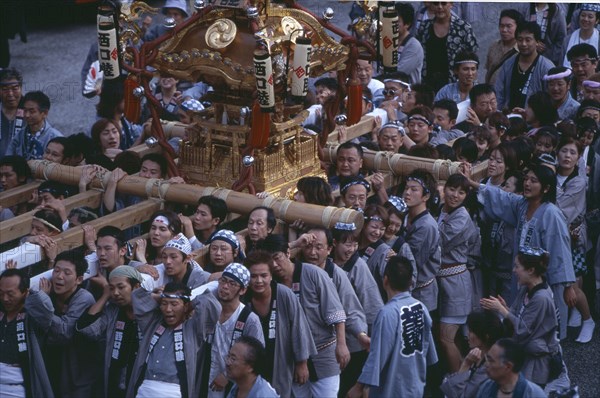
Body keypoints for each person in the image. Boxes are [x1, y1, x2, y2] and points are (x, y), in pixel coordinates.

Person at [464, 164, 576, 340]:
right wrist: (472, 183)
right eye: (526, 179)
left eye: (534, 180)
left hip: (543, 282)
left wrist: (568, 286)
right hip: (523, 280)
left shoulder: (552, 214)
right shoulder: (522, 205)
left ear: (546, 188)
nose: (527, 184)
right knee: (522, 326)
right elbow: (502, 197)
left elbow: (560, 251)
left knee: (542, 330)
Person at [257, 234, 349, 398]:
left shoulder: (313, 273)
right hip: (291, 357)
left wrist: (341, 344)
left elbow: (336, 312)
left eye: (277, 257)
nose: (274, 265)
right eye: (269, 261)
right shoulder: (270, 284)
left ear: (287, 252)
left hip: (323, 352)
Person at [347, 256, 438, 398]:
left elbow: (377, 357)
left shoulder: (387, 313)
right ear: (411, 282)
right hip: (415, 385)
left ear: (385, 280)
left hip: (392, 388)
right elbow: (430, 353)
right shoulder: (420, 307)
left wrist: (359, 386)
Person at [297, 227, 369, 398]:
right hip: (297, 350)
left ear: (330, 249)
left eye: (319, 247)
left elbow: (350, 309)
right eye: (308, 247)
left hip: (326, 347)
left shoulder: (335, 274)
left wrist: (360, 334)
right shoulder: (295, 270)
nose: (312, 252)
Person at [481, 247, 566, 388]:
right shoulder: (526, 288)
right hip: (525, 354)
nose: (514, 270)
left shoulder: (541, 298)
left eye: (517, 266)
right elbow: (516, 315)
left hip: (537, 363)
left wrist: (502, 310)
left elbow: (523, 329)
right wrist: (505, 308)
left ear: (531, 270)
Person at [243, 251, 316, 397]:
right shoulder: (243, 296)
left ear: (271, 276)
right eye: (253, 276)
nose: (258, 281)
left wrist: (302, 363)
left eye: (263, 275)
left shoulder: (284, 294)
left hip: (280, 359)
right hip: (252, 364)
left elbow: (299, 327)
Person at [26, 250, 99, 397]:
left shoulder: (84, 298)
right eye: (56, 270)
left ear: (79, 279)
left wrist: (43, 303)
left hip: (75, 372)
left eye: (67, 273)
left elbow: (63, 333)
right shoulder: (48, 291)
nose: (59, 276)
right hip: (48, 364)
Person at [129, 282, 220, 398]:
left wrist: (190, 304)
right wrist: (159, 297)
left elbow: (211, 304)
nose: (168, 309)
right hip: (145, 388)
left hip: (174, 392)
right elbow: (137, 297)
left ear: (185, 306)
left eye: (174, 304)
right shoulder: (151, 323)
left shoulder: (194, 328)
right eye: (164, 304)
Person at [76, 266, 145, 398]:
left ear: (136, 287)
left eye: (121, 287)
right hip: (115, 382)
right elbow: (86, 329)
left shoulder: (151, 312)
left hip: (143, 383)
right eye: (112, 288)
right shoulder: (113, 311)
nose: (116, 293)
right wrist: (105, 295)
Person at [555, 137, 595, 343]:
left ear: (579, 158)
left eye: (572, 153)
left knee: (572, 284)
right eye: (564, 151)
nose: (567, 156)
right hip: (554, 236)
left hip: (572, 237)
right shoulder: (550, 175)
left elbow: (561, 207)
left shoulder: (578, 181)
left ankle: (587, 319)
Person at [437, 174, 476, 373]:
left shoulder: (462, 215)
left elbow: (438, 241)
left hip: (455, 281)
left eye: (461, 192)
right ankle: (463, 376)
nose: (455, 195)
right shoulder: (441, 208)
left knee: (446, 338)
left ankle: (457, 383)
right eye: (452, 189)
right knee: (451, 338)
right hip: (443, 281)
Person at [206, 263, 264, 398]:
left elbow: (257, 356)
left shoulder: (249, 319)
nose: (225, 287)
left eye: (232, 283)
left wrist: (227, 376)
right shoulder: (210, 310)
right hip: (205, 376)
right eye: (223, 281)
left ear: (243, 290)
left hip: (233, 384)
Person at [0, 267, 54, 398]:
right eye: (1, 293)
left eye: (10, 294)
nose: (5, 298)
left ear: (25, 292)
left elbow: (47, 314)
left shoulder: (32, 317)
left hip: (17, 388)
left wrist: (36, 293)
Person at [440, 310, 514, 398]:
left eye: (471, 331)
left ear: (486, 336)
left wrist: (466, 364)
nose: (467, 335)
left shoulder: (488, 367)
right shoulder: (477, 357)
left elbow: (459, 395)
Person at [401, 169, 441, 313]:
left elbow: (413, 261)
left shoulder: (426, 226)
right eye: (406, 188)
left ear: (426, 196)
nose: (407, 193)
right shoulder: (404, 215)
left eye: (414, 189)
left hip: (421, 292)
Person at [416, 1, 478, 92]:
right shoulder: (425, 26)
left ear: (451, 4)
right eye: (436, 3)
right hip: (428, 83)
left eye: (444, 3)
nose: (440, 7)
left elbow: (472, 57)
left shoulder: (463, 27)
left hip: (454, 85)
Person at [495, 22, 555, 112]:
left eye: (528, 40)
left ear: (537, 42)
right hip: (508, 118)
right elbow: (499, 93)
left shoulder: (546, 67)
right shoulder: (508, 64)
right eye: (520, 39)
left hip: (535, 121)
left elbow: (551, 99)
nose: (523, 44)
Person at [476, 338, 546, 398]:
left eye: (491, 361)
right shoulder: (486, 388)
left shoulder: (534, 394)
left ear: (508, 366)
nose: (486, 364)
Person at [6, 91, 63, 160]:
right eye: (25, 111)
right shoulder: (19, 135)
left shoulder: (56, 137)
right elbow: (8, 158)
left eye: (32, 111)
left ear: (44, 113)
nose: (27, 115)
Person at [486, 9, 522, 85]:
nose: (504, 30)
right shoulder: (494, 46)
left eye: (509, 26)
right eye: (502, 26)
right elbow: (488, 71)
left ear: (518, 27)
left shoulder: (522, 50)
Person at [562, 4, 600, 68]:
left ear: (597, 20)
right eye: (583, 15)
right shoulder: (568, 39)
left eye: (590, 17)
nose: (585, 19)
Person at [394, 3, 424, 85]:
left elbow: (399, 73)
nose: (391, 24)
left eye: (396, 21)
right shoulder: (386, 41)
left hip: (408, 93)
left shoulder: (414, 46)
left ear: (407, 24)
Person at [0, 68, 24, 158]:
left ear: (21, 88)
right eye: (5, 89)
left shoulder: (30, 113)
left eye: (15, 89)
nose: (10, 94)